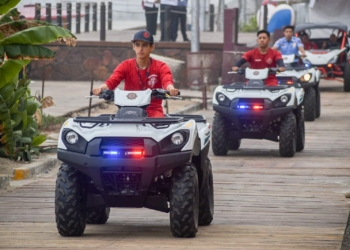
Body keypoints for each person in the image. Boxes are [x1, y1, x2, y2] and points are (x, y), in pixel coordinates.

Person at [92, 30, 179, 117]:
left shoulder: (161, 66)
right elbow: (112, 81)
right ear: (133, 46)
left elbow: (167, 80)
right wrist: (101, 88)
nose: (140, 49)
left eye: (145, 45)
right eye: (137, 45)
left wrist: (171, 89)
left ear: (152, 47)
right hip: (128, 110)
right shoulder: (125, 65)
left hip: (153, 110)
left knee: (158, 124)